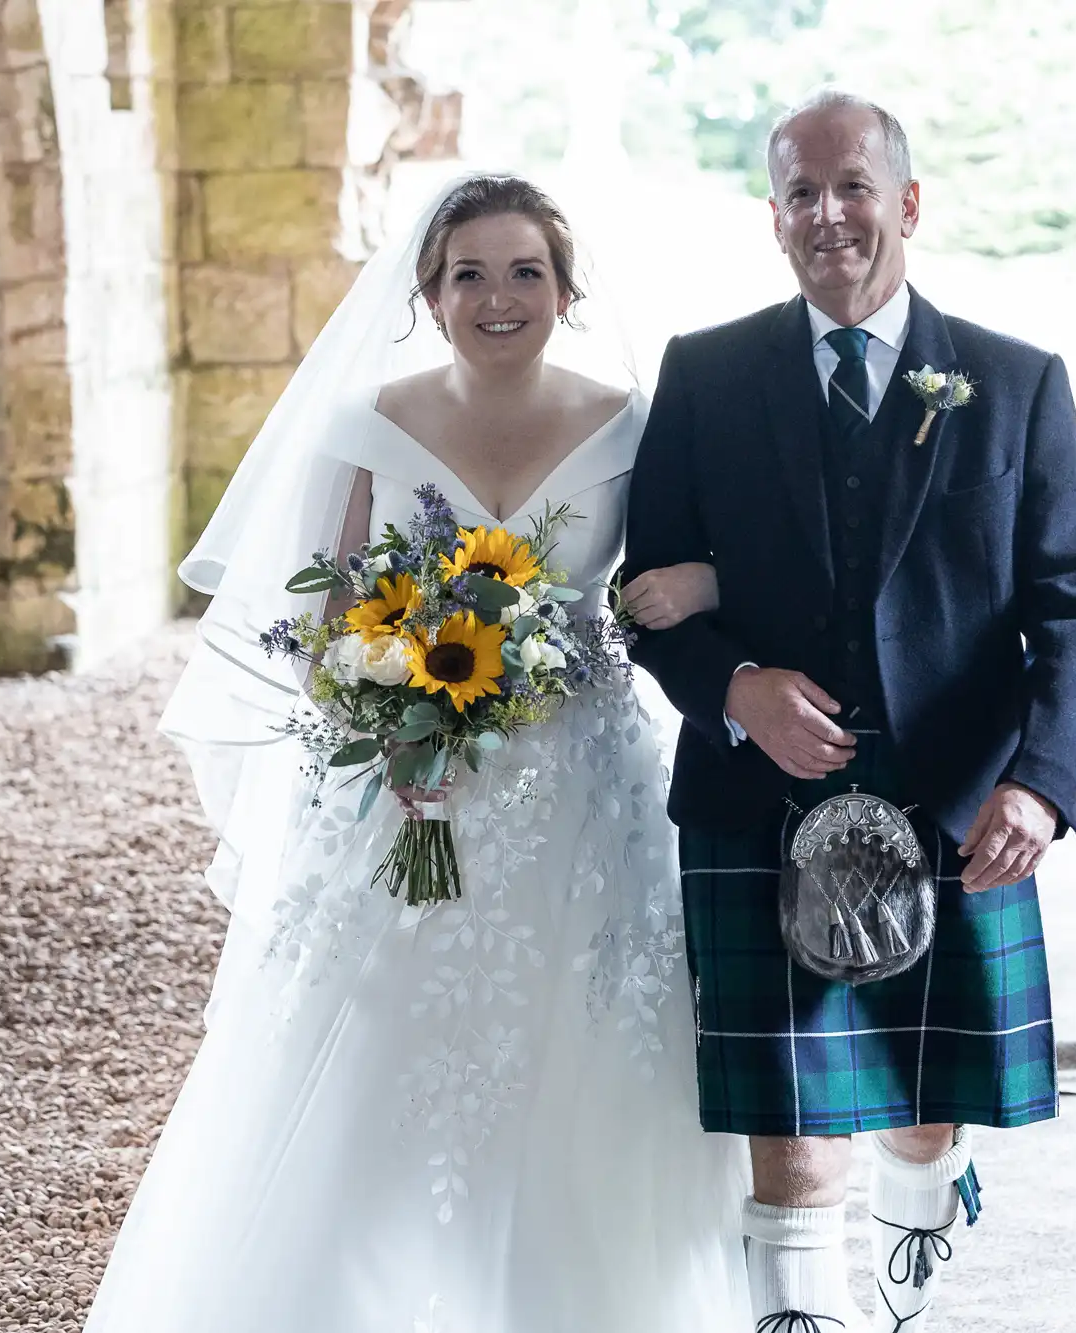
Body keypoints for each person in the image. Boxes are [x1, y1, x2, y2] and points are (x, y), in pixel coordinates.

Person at [82, 175, 746, 1332]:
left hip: (582, 802)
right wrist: (383, 722)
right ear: (428, 296)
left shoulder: (631, 423)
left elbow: (688, 571)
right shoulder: (367, 424)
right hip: (415, 794)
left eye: (524, 272)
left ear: (565, 287)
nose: (498, 297)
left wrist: (694, 584)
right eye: (468, 275)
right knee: (377, 1074)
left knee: (586, 1076)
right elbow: (328, 617)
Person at [619, 88, 1076, 1332]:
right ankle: (803, 1312)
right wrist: (733, 689)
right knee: (787, 1109)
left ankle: (921, 1195)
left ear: (906, 203)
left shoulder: (1013, 383)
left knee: (914, 1096)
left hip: (951, 790)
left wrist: (1039, 780)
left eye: (852, 188)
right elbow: (650, 597)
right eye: (801, 192)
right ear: (773, 218)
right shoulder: (705, 374)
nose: (828, 215)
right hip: (753, 794)